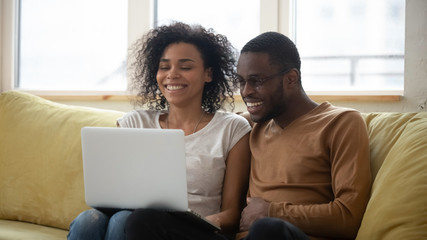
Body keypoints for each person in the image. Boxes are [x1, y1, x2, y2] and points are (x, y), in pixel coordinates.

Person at [68, 22, 251, 240]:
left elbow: (231, 214)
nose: (172, 74)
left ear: (208, 74)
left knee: (124, 221)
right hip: (135, 221)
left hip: (189, 231)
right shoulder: (134, 123)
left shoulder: (232, 129)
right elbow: (113, 193)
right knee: (88, 220)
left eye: (185, 67)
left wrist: (204, 221)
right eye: (164, 67)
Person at [235, 31, 372, 240]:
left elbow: (349, 217)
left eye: (257, 81)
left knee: (268, 229)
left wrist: (272, 212)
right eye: (241, 81)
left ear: (291, 78)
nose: (246, 92)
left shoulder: (341, 123)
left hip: (287, 236)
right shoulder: (250, 125)